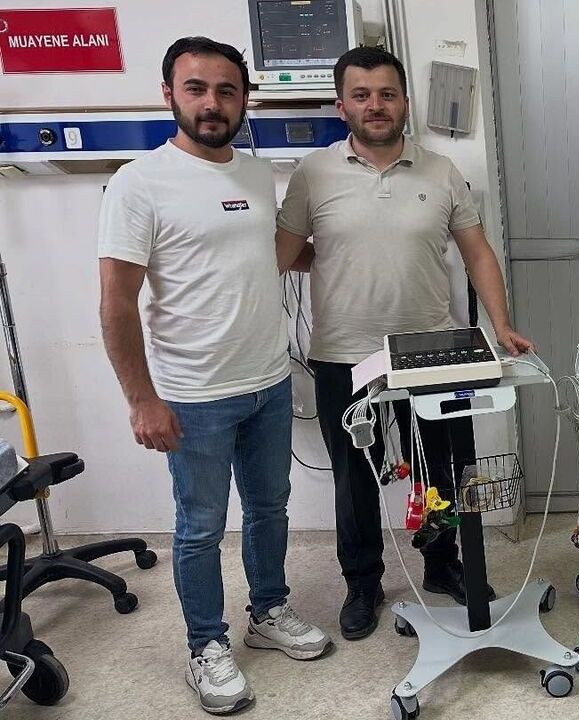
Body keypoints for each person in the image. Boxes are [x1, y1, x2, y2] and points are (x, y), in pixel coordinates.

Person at [98, 36, 331, 716]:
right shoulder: (139, 183)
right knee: (200, 527)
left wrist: (338, 246)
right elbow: (116, 302)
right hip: (193, 395)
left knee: (269, 508)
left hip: (268, 383)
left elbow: (265, 254)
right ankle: (206, 644)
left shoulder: (255, 175)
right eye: (196, 88)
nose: (212, 103)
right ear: (168, 94)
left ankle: (268, 611)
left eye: (227, 90)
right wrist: (141, 400)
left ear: (244, 99)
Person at [275, 47, 535, 641]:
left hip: (434, 351)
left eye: (387, 94)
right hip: (345, 353)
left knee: (440, 467)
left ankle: (442, 564)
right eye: (361, 95)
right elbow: (283, 254)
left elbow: (476, 252)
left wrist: (501, 325)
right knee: (355, 478)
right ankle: (363, 582)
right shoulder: (313, 173)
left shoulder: (440, 171)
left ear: (405, 103)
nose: (376, 105)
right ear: (341, 106)